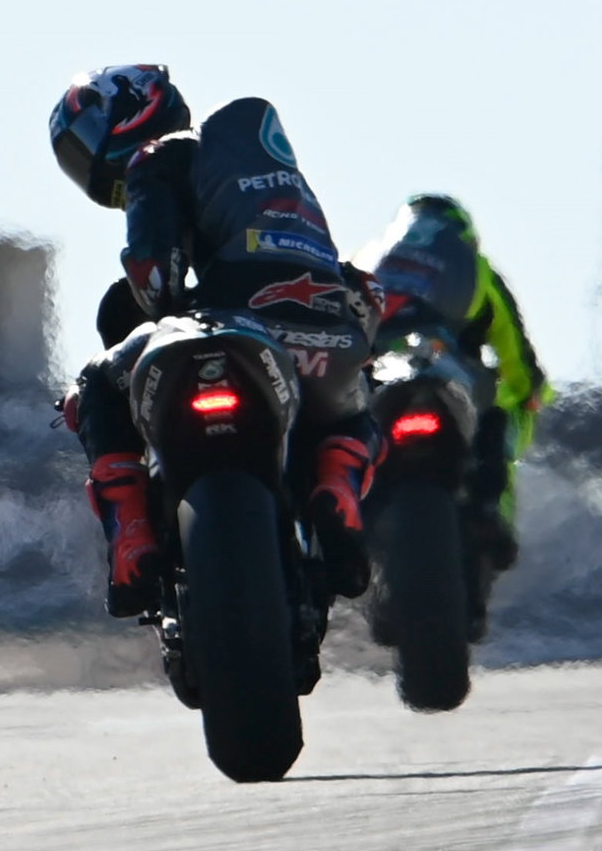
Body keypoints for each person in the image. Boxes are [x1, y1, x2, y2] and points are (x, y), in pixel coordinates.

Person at [48, 64, 383, 616]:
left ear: (134, 110)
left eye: (86, 141)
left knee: (96, 386)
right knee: (359, 401)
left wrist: (160, 308)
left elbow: (158, 278)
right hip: (324, 337)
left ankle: (132, 536)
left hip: (233, 323)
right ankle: (337, 485)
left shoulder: (156, 158)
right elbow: (365, 293)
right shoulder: (273, 177)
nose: (88, 161)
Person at [359, 195, 551, 569]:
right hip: (452, 383)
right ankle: (488, 509)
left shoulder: (368, 260)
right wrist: (530, 391)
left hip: (378, 378)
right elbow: (514, 350)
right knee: (496, 417)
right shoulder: (479, 272)